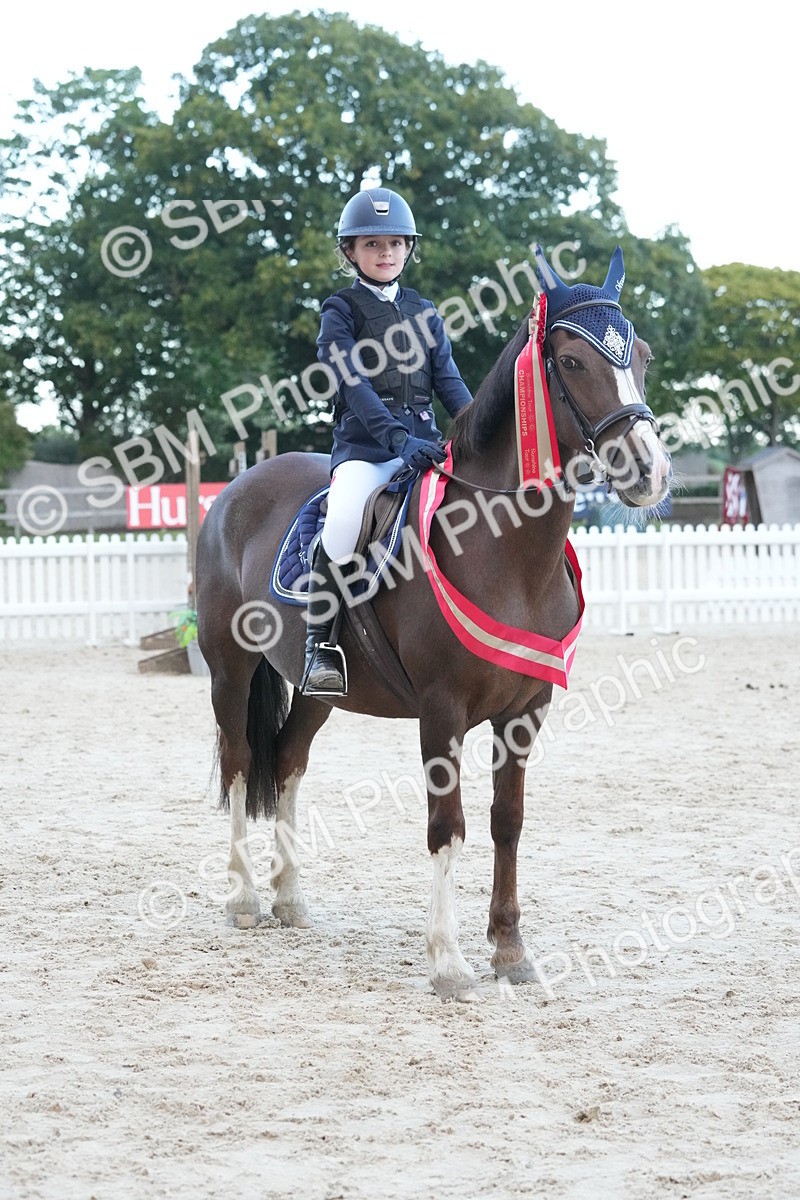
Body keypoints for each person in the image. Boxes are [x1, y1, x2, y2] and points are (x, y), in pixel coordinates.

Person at [301, 186, 474, 696]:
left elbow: (449, 381)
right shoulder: (341, 309)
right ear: (350, 252)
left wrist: (473, 427)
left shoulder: (424, 309)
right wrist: (395, 437)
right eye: (373, 244)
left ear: (408, 249)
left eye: (396, 244)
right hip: (368, 451)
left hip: (426, 446)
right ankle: (319, 647)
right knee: (344, 519)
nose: (386, 253)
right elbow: (352, 384)